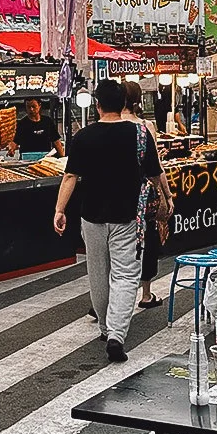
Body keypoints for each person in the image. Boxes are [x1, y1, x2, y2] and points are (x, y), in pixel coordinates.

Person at [53, 76, 162, 362]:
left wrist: (59, 210)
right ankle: (116, 333)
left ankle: (104, 326)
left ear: (98, 105)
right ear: (124, 103)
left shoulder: (83, 137)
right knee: (126, 275)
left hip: (91, 215)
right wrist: (167, 195)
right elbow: (154, 171)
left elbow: (70, 176)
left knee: (98, 273)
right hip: (127, 216)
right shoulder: (139, 134)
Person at [122, 84, 175, 307]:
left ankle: (108, 299)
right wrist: (167, 194)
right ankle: (145, 294)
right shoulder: (145, 126)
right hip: (144, 193)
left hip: (118, 193)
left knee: (119, 244)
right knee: (147, 241)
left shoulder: (107, 125)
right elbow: (156, 166)